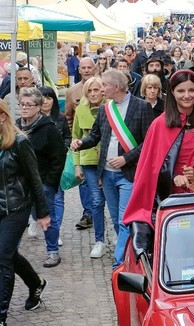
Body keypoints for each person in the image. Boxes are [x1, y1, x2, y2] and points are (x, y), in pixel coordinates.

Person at [123, 69, 194, 260]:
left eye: (191, 90)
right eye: (181, 91)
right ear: (172, 93)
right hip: (171, 203)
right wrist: (173, 175)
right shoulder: (160, 125)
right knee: (177, 254)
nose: (187, 96)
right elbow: (150, 168)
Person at [70, 69, 153, 269]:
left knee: (125, 219)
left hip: (129, 173)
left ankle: (119, 263)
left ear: (116, 87)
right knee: (116, 219)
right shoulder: (104, 109)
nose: (102, 89)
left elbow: (148, 143)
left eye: (105, 85)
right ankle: (127, 253)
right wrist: (81, 142)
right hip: (107, 174)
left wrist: (126, 158)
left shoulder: (141, 107)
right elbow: (96, 136)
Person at [0, 100, 50, 325]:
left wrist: (42, 213)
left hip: (16, 208)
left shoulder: (19, 142)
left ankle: (1, 316)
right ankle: (36, 283)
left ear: (3, 117)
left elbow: (34, 179)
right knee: (9, 254)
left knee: (2, 258)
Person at [16, 87, 67, 267]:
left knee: (46, 216)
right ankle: (10, 251)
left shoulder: (48, 128)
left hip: (42, 182)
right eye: (22, 104)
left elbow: (59, 156)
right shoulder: (16, 127)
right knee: (16, 218)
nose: (24, 107)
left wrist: (49, 183)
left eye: (29, 104)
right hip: (20, 184)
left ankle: (53, 252)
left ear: (38, 107)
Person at [71, 77, 108, 258]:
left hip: (110, 159)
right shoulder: (81, 109)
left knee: (113, 200)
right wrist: (77, 165)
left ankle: (118, 234)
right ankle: (100, 240)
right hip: (89, 161)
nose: (93, 94)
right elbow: (75, 138)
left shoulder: (111, 106)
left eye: (96, 90)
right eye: (90, 91)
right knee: (96, 200)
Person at [32, 86, 71, 246]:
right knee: (38, 198)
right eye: (44, 97)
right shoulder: (34, 119)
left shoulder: (60, 118)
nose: (47, 101)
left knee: (58, 198)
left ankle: (56, 230)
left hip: (56, 165)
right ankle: (37, 219)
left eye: (49, 98)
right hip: (38, 167)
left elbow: (68, 137)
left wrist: (63, 147)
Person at [64, 57, 96, 230]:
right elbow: (68, 116)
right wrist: (73, 138)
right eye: (83, 67)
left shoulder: (101, 87)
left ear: (94, 68)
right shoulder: (72, 91)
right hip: (82, 143)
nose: (86, 70)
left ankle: (97, 209)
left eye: (89, 67)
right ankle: (88, 212)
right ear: (79, 70)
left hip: (101, 144)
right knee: (83, 179)